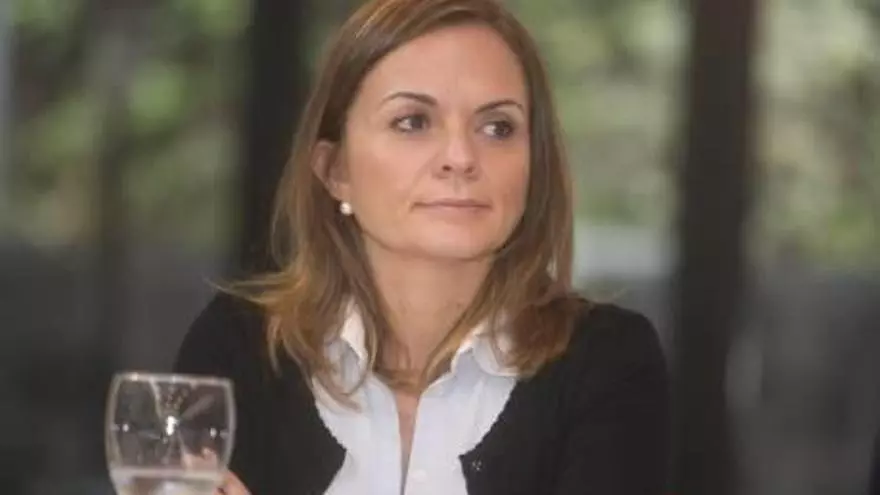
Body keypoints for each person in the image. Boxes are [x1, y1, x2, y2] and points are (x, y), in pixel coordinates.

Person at [174, 0, 669, 493]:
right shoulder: (239, 346)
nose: (461, 157)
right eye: (412, 121)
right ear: (334, 170)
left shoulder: (608, 362)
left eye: (497, 128)